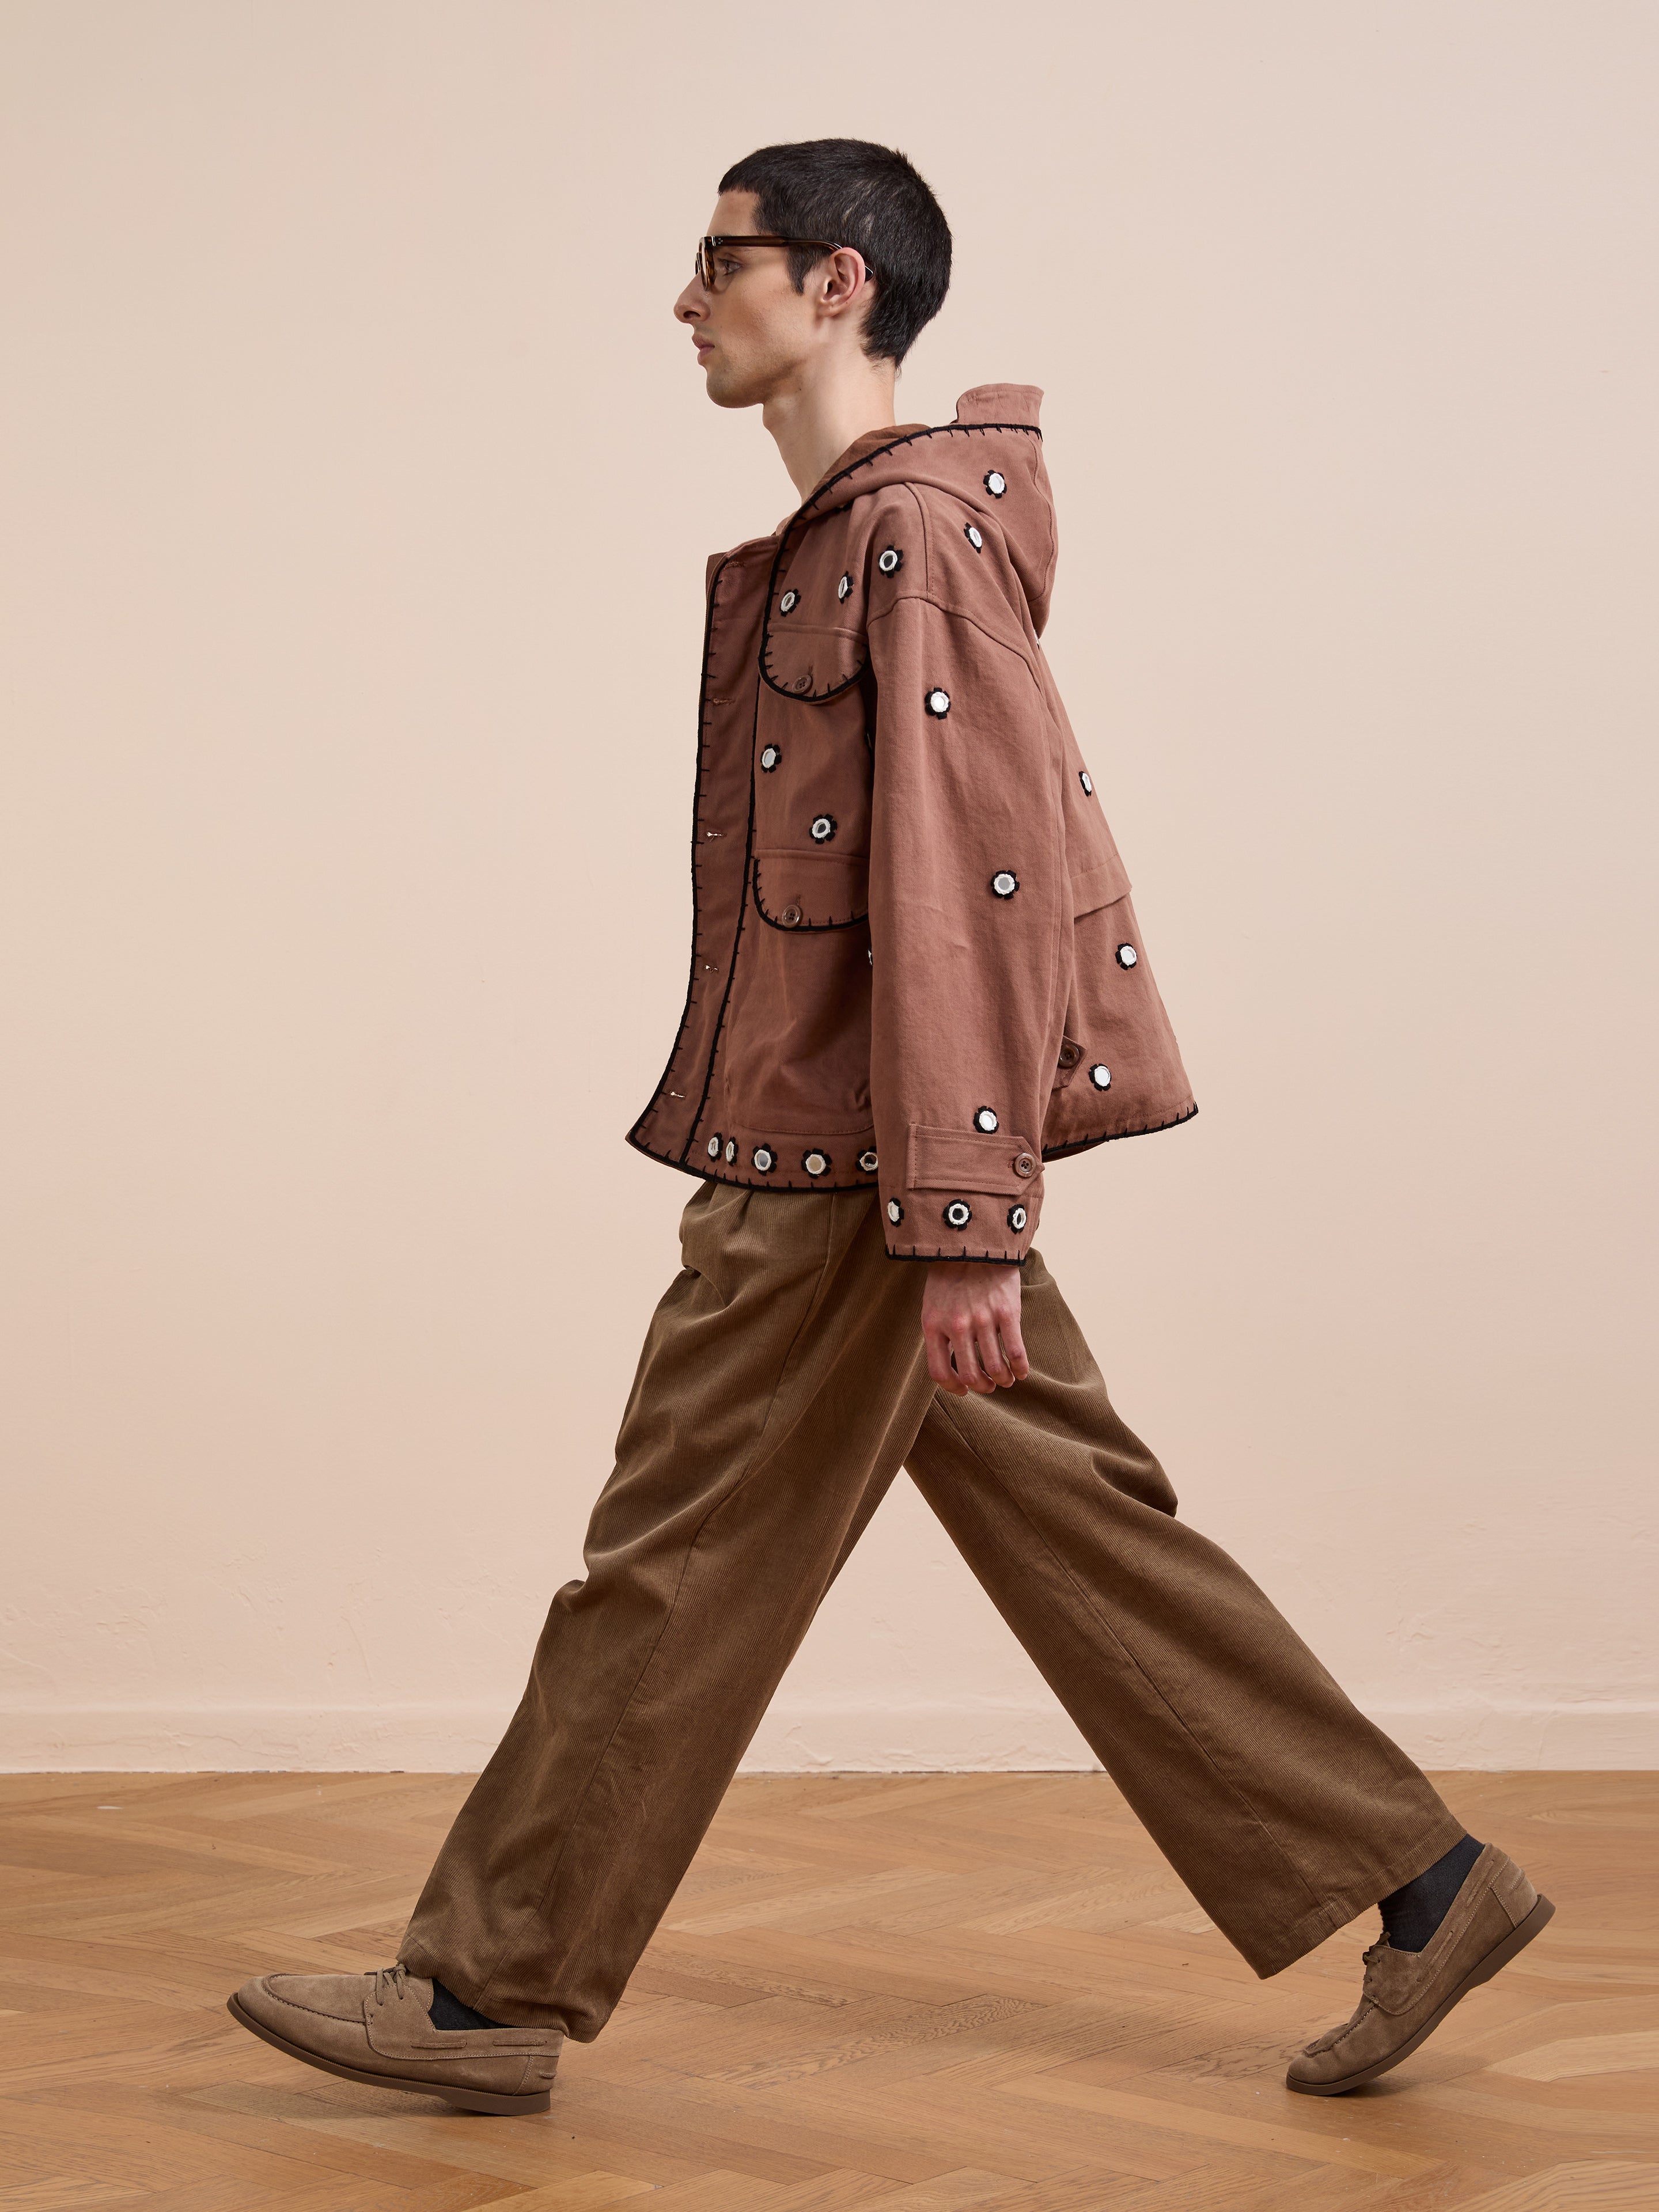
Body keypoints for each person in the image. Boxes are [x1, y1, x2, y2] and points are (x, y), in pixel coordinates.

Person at [227, 138, 1552, 2116]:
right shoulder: (877, 532)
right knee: (1083, 1528)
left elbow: (972, 883)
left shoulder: (906, 539)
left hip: (849, 1168)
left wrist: (958, 1218)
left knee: (668, 1554)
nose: (688, 299)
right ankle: (1423, 1879)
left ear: (838, 284)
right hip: (882, 1151)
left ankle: (488, 1985)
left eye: (721, 261)